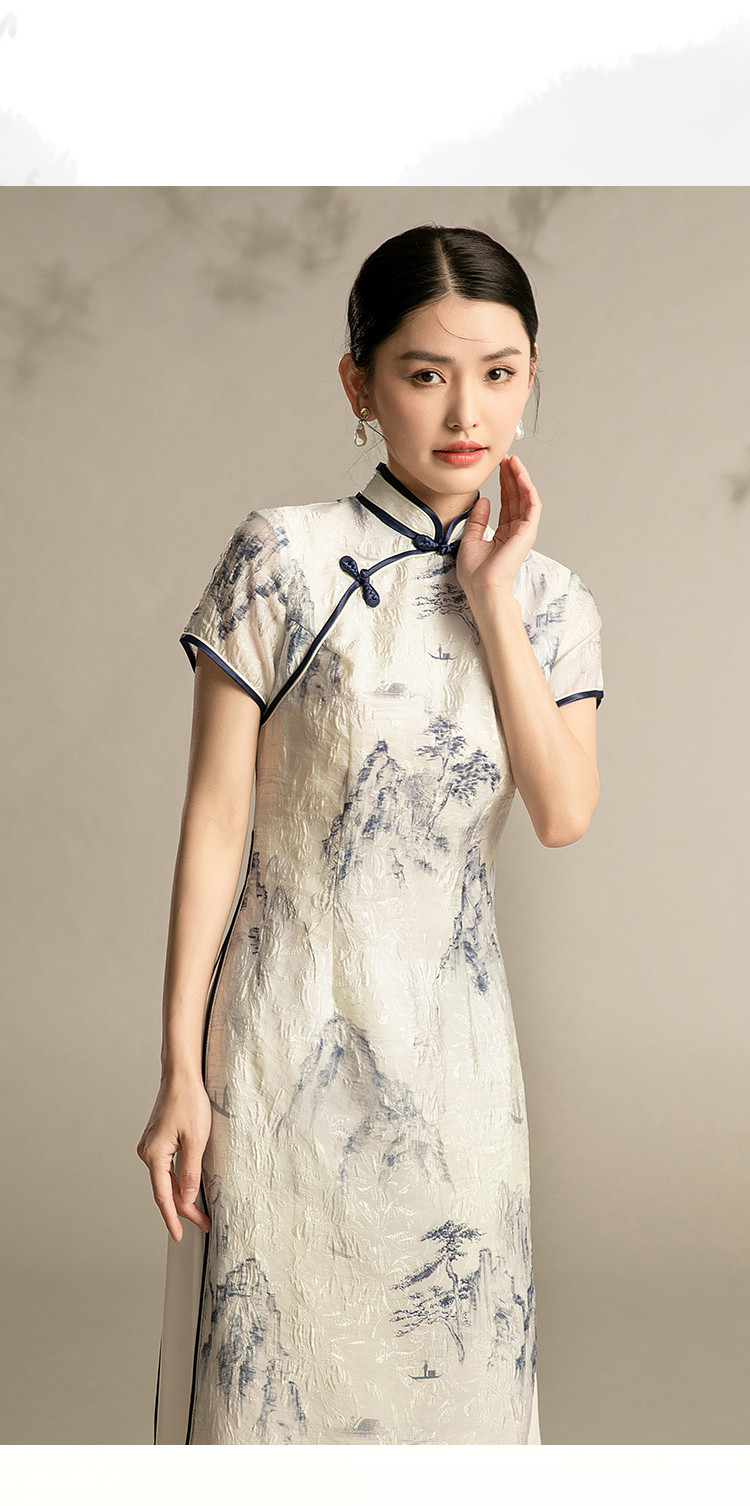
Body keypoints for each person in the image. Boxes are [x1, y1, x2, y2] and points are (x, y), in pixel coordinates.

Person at [137, 224, 604, 1446]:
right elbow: (216, 822)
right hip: (282, 1039)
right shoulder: (281, 557)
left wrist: (491, 594)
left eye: (499, 373)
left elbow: (562, 812)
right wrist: (181, 1068)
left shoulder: (554, 602)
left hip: (458, 1067)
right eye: (424, 372)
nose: (466, 411)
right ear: (359, 383)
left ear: (533, 378)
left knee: (459, 1386)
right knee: (269, 1393)